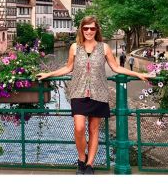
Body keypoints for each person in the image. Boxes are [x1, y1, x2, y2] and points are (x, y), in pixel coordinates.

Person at [36, 16, 149, 174]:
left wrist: (137, 74)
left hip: (99, 92)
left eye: (92, 28)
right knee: (79, 127)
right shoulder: (75, 47)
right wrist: (49, 74)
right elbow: (68, 68)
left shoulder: (104, 48)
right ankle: (81, 159)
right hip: (78, 91)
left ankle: (89, 164)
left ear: (97, 30)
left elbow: (116, 68)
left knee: (94, 129)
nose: (89, 31)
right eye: (86, 28)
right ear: (81, 30)